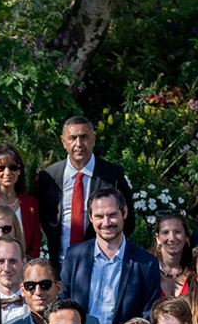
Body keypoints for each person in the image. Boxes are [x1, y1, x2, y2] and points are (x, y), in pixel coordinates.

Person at [59, 187, 161, 324]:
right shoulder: (74, 256)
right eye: (99, 216)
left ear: (124, 213)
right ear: (90, 217)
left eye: (112, 215)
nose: (106, 223)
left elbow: (147, 318)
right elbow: (61, 305)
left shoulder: (146, 263)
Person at [35, 115, 132, 275]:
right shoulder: (49, 177)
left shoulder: (112, 175)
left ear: (93, 139)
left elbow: (127, 221)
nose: (79, 144)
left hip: (101, 266)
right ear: (63, 142)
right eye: (72, 138)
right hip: (60, 266)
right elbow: (44, 220)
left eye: (84, 137)